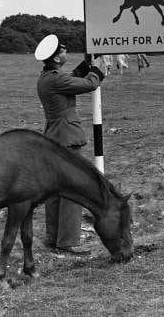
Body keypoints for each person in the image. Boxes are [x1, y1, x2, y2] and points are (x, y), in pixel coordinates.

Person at [35, 34, 107, 255]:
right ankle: (67, 241)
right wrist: (98, 69)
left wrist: (86, 64)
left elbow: (72, 78)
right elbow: (88, 84)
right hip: (67, 138)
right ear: (56, 59)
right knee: (73, 190)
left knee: (55, 190)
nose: (66, 53)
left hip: (54, 138)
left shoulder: (48, 77)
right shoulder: (56, 79)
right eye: (63, 51)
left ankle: (53, 237)